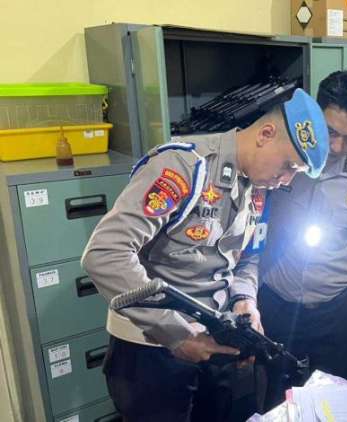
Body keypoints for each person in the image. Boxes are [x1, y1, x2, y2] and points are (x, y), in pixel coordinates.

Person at [81, 89, 329, 422]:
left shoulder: (257, 187)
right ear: (266, 134)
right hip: (151, 349)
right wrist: (175, 333)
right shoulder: (183, 166)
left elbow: (247, 257)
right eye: (288, 166)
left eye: (294, 173)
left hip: (210, 342)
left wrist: (244, 299)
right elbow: (105, 253)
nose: (285, 180)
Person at [258, 69, 347, 409]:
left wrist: (345, 277)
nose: (337, 146)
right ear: (314, 116)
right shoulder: (281, 160)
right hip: (276, 304)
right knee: (274, 396)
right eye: (330, 131)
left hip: (335, 313)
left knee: (338, 401)